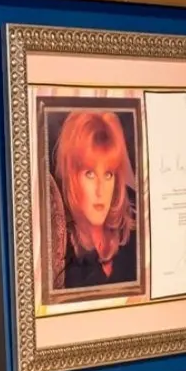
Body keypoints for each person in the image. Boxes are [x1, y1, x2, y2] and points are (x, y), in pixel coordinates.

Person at [50, 110, 138, 291]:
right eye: (90, 174)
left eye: (108, 174)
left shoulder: (135, 221)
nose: (100, 190)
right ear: (71, 177)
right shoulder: (58, 246)